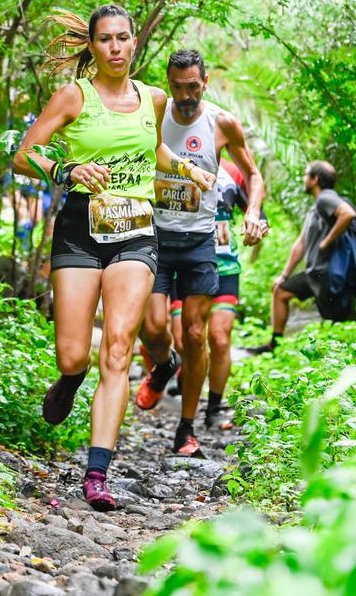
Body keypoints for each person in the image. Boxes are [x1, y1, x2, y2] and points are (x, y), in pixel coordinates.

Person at [13, 5, 215, 511]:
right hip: (81, 230)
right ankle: (70, 378)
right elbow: (23, 154)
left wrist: (188, 171)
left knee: (119, 346)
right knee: (73, 354)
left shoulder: (154, 98)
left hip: (135, 232)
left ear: (134, 43)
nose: (117, 48)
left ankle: (97, 472)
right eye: (106, 40)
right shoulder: (73, 96)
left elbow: (153, 152)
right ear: (93, 46)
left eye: (124, 38)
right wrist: (67, 169)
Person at [134, 49, 266, 457]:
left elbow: (255, 175)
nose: (185, 95)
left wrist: (254, 214)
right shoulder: (154, 112)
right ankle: (164, 365)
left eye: (193, 86)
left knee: (195, 333)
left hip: (199, 243)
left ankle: (186, 428)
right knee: (153, 326)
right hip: (153, 236)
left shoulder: (221, 122)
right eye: (178, 87)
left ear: (205, 83)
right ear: (168, 83)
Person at [247, 160, 356, 355]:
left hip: (329, 274)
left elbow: (348, 214)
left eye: (306, 175)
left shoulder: (326, 198)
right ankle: (274, 345)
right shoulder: (316, 207)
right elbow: (300, 244)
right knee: (281, 291)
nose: (303, 178)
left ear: (315, 179)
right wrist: (284, 276)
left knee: (338, 324)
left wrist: (326, 242)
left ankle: (344, 357)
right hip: (314, 274)